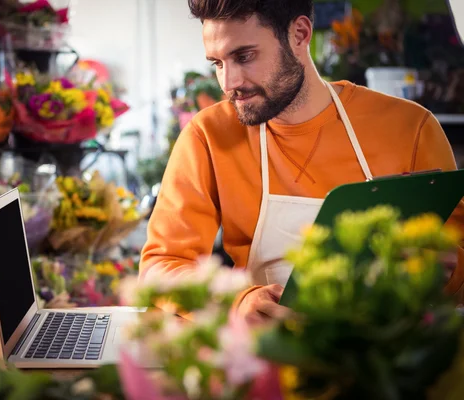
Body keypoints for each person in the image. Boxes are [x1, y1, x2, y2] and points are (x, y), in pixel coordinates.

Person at [140, 0, 464, 324]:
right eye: (217, 63)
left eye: (244, 56)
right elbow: (159, 268)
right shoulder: (208, 137)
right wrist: (234, 302)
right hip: (266, 356)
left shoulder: (410, 128)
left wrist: (441, 270)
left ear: (299, 34)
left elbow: (457, 264)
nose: (228, 83)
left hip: (385, 359)